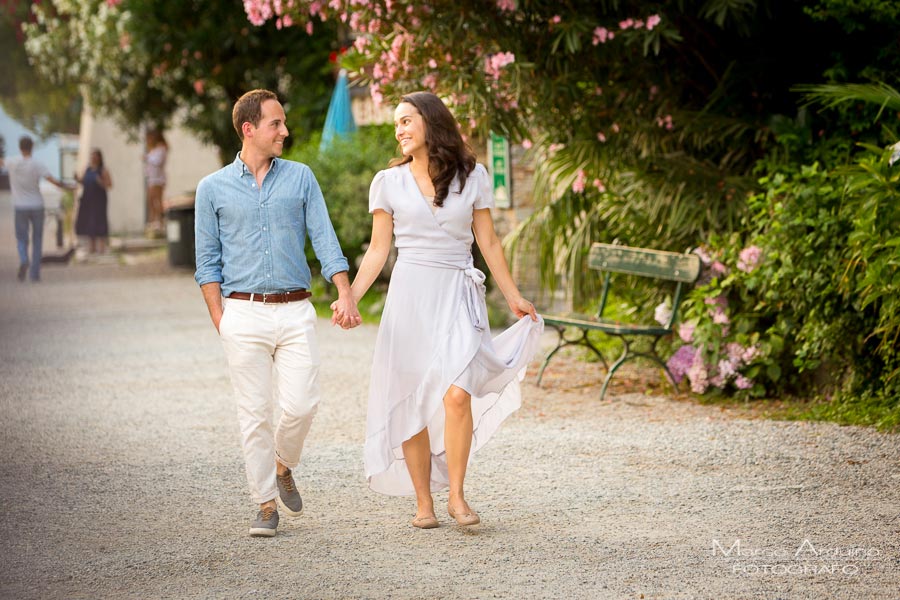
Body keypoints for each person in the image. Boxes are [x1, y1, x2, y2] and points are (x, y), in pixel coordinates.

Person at [332, 91, 544, 529]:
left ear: (431, 122)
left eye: (407, 121)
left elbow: (488, 242)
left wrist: (513, 296)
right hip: (410, 296)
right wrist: (349, 295)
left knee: (457, 393)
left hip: (457, 293)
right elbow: (377, 250)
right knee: (410, 397)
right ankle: (424, 502)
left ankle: (459, 497)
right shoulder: (386, 182)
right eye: (397, 124)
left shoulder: (473, 176)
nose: (399, 130)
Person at [194, 89, 360, 538]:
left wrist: (344, 292)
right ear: (249, 130)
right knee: (253, 414)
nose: (285, 131)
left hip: (296, 309)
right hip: (242, 312)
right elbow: (206, 262)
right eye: (276, 124)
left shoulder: (302, 178)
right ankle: (265, 503)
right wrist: (221, 319)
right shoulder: (211, 189)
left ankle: (283, 463)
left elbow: (324, 238)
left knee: (303, 404)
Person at [0, 135, 74, 282]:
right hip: (37, 206)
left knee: (21, 238)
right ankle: (34, 273)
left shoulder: (12, 162)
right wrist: (69, 187)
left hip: (20, 207)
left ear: (20, 147)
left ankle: (23, 258)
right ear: (32, 147)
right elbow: (52, 180)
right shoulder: (37, 164)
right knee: (37, 239)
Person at [74, 148, 112, 254]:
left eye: (95, 155)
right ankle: (92, 247)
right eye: (92, 155)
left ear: (99, 157)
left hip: (99, 200)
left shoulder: (103, 170)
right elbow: (83, 181)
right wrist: (77, 178)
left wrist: (100, 182)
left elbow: (109, 185)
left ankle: (101, 247)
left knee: (100, 222)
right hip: (87, 200)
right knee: (90, 222)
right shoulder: (87, 170)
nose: (93, 158)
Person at [144, 129, 168, 235]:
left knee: (157, 200)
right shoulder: (153, 149)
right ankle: (153, 221)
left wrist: (147, 157)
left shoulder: (161, 148)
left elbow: (157, 161)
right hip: (152, 178)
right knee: (150, 200)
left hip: (158, 179)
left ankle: (159, 221)